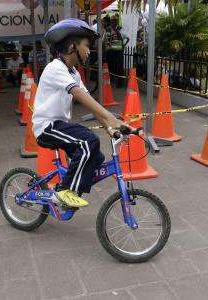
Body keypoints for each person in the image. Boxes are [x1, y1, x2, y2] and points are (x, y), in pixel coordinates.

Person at [32, 19, 124, 208]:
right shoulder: (55, 68)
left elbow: (90, 102)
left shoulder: (72, 72)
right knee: (88, 141)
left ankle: (70, 190)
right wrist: (111, 118)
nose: (89, 51)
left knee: (96, 156)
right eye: (87, 45)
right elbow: (79, 94)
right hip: (47, 127)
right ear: (73, 46)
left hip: (59, 125)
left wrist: (109, 127)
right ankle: (64, 191)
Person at [105, 14, 125, 88]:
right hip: (112, 52)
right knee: (112, 68)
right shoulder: (109, 29)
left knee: (118, 68)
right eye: (114, 21)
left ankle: (119, 83)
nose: (115, 22)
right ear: (111, 22)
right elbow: (107, 40)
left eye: (116, 21)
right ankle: (112, 82)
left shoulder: (117, 29)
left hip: (118, 52)